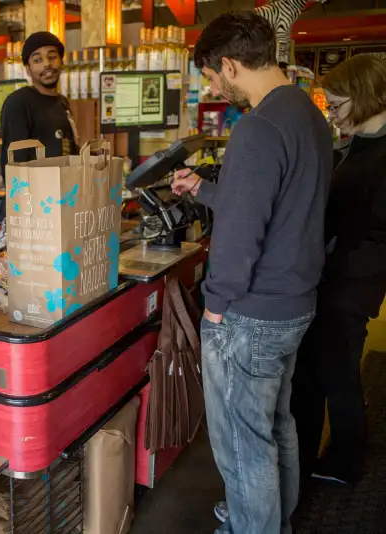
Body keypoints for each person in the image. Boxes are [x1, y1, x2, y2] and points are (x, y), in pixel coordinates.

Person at [171, 11, 332, 534]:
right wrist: (205, 189)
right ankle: (269, 517)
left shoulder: (257, 127)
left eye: (212, 76)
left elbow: (241, 236)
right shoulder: (305, 112)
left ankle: (252, 526)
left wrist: (215, 304)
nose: (214, 87)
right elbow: (274, 202)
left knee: (243, 446)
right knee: (275, 425)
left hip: (251, 313)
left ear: (230, 65)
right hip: (294, 303)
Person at [291, 54, 386, 486]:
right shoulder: (359, 144)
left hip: (351, 281)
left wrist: (329, 262)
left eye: (337, 104)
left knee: (337, 371)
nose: (332, 113)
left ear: (364, 96)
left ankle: (345, 459)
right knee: (329, 368)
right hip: (340, 276)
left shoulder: (377, 153)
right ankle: (326, 454)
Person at [0, 32, 77, 178]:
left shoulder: (62, 103)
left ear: (61, 61)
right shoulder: (18, 103)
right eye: (37, 60)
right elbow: (14, 165)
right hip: (32, 197)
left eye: (52, 57)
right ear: (28, 69)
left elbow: (68, 151)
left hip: (61, 195)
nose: (47, 64)